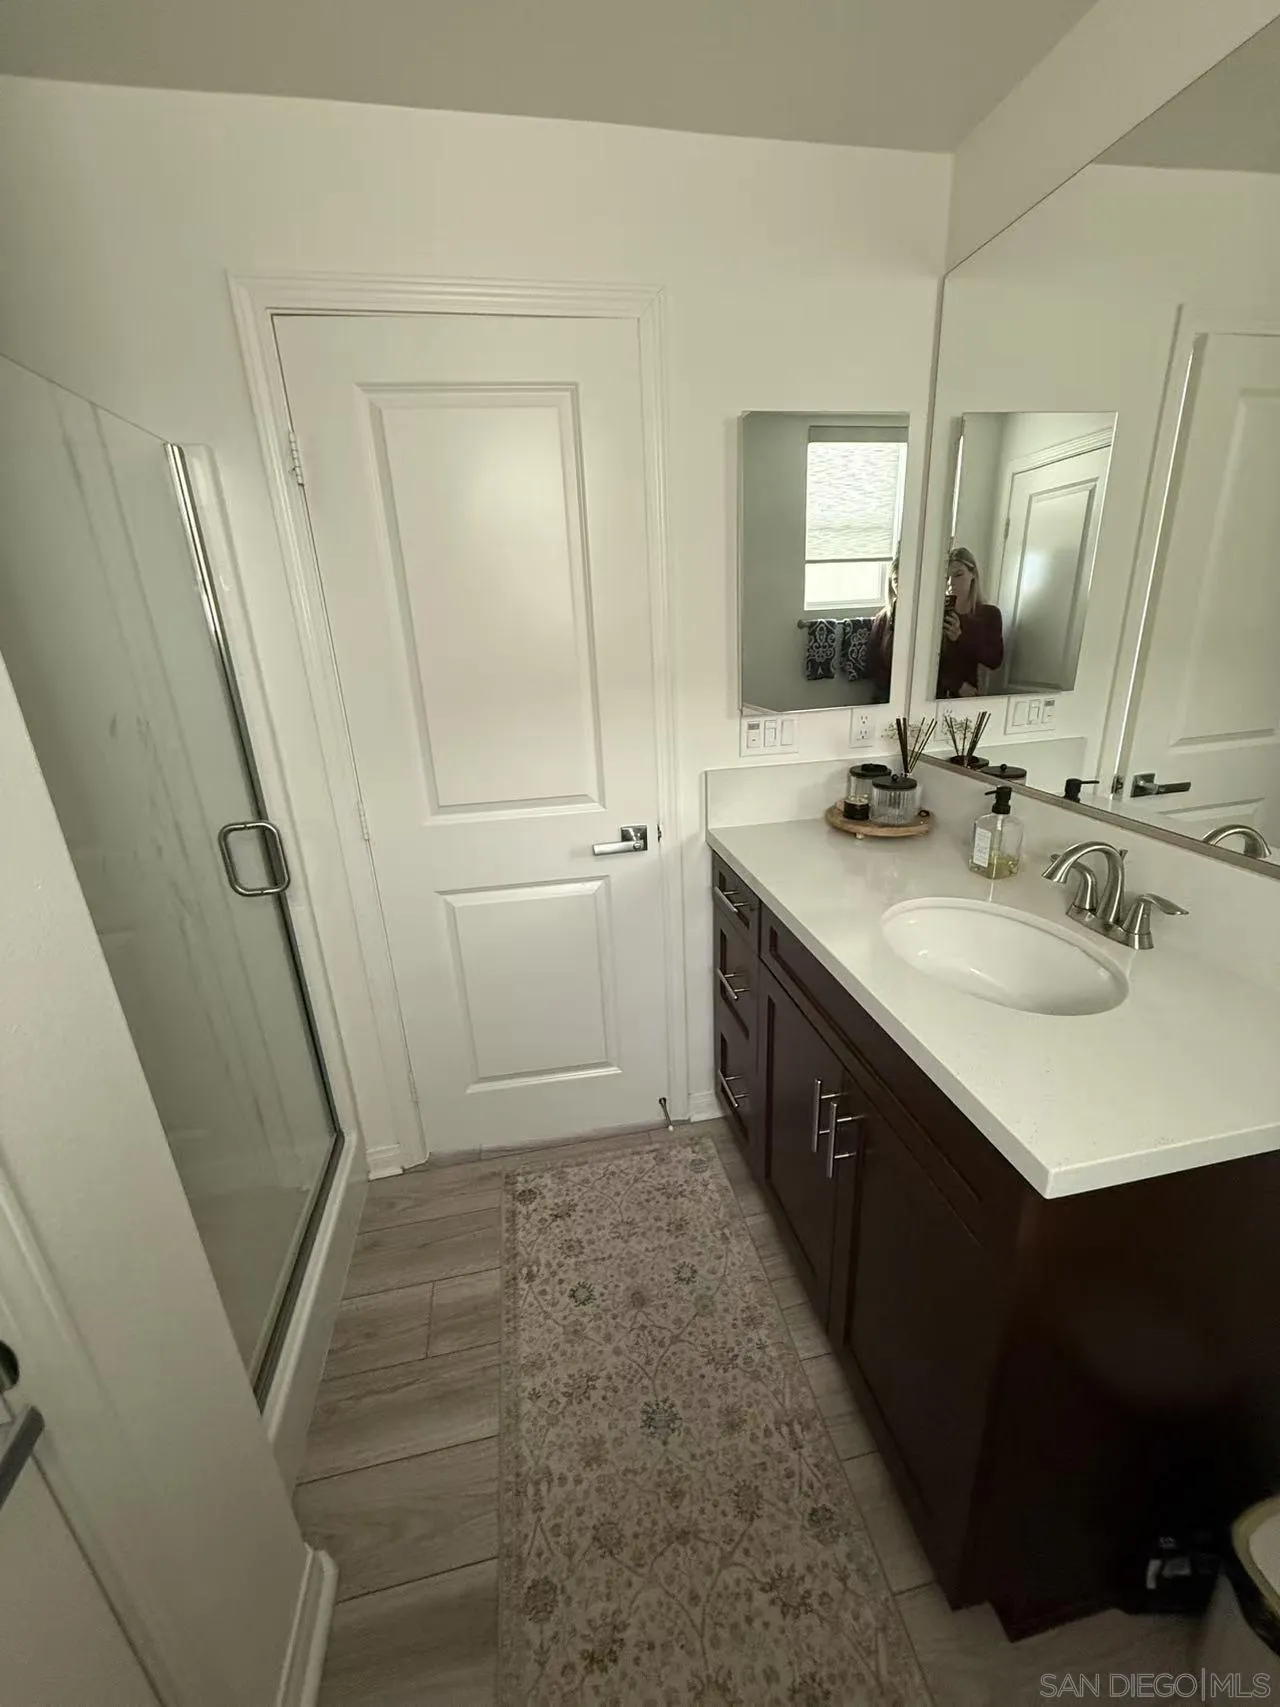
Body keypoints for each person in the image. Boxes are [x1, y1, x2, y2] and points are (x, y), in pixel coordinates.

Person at [937, 545, 1003, 698]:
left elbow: (995, 660)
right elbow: (927, 663)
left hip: (972, 697)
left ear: (972, 574)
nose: (951, 583)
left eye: (958, 574)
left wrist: (961, 637)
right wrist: (956, 684)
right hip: (937, 695)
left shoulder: (989, 614)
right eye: (947, 578)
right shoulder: (937, 615)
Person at [867, 556, 898, 702]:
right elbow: (873, 658)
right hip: (886, 689)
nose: (901, 585)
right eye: (897, 580)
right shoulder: (883, 618)